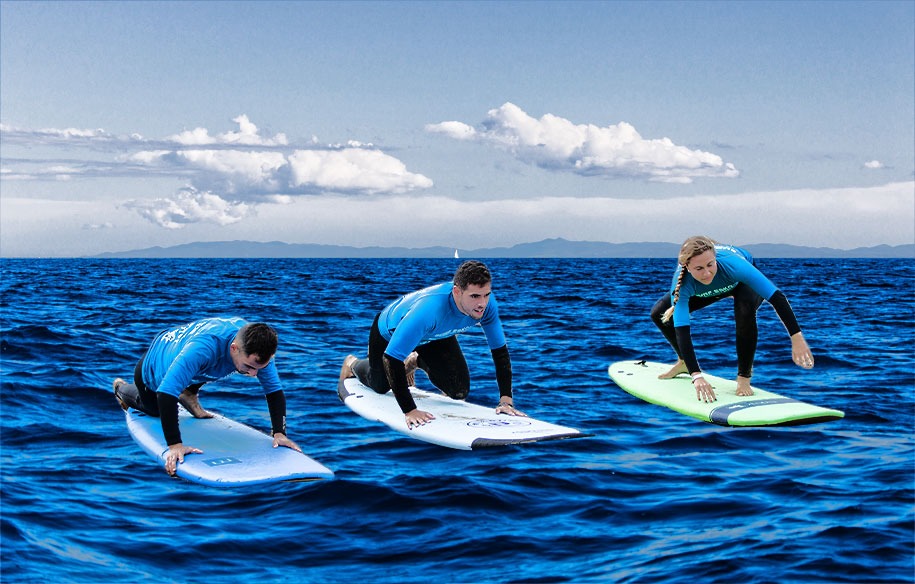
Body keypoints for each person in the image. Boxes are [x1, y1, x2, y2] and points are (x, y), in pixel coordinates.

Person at [339, 260, 526, 429]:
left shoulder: (488, 306)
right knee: (380, 386)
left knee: (458, 391)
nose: (482, 303)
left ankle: (415, 361)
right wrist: (410, 410)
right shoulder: (429, 310)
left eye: (486, 295)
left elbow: (500, 352)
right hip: (388, 332)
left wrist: (505, 401)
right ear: (457, 292)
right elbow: (391, 358)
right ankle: (352, 363)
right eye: (475, 296)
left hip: (434, 335)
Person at [112, 317, 301, 476]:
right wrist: (175, 446)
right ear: (234, 348)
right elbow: (165, 394)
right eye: (249, 367)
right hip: (153, 369)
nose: (253, 374)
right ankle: (121, 388)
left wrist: (279, 433)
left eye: (258, 368)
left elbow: (274, 392)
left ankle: (188, 393)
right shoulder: (203, 348)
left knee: (212, 365)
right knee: (155, 410)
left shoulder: (255, 347)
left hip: (189, 359)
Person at [650, 236, 814, 403]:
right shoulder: (682, 284)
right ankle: (685, 362)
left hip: (737, 282)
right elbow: (682, 331)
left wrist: (796, 337)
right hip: (712, 286)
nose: (706, 273)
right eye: (699, 268)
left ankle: (743, 378)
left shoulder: (734, 265)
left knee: (744, 311)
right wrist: (696, 375)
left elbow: (777, 297)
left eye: (710, 264)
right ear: (687, 268)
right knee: (659, 314)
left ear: (715, 258)